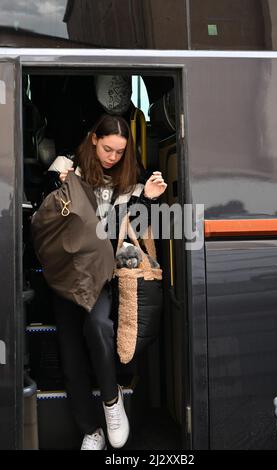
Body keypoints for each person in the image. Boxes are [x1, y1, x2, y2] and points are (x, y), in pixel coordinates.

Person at [44, 114, 167, 450]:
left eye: (120, 151)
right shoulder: (68, 168)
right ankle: (90, 429)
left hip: (102, 272)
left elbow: (133, 229)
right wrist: (59, 182)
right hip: (65, 271)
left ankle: (112, 403)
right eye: (108, 149)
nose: (113, 157)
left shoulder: (132, 178)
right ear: (94, 139)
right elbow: (47, 216)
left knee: (98, 326)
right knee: (70, 354)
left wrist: (150, 198)